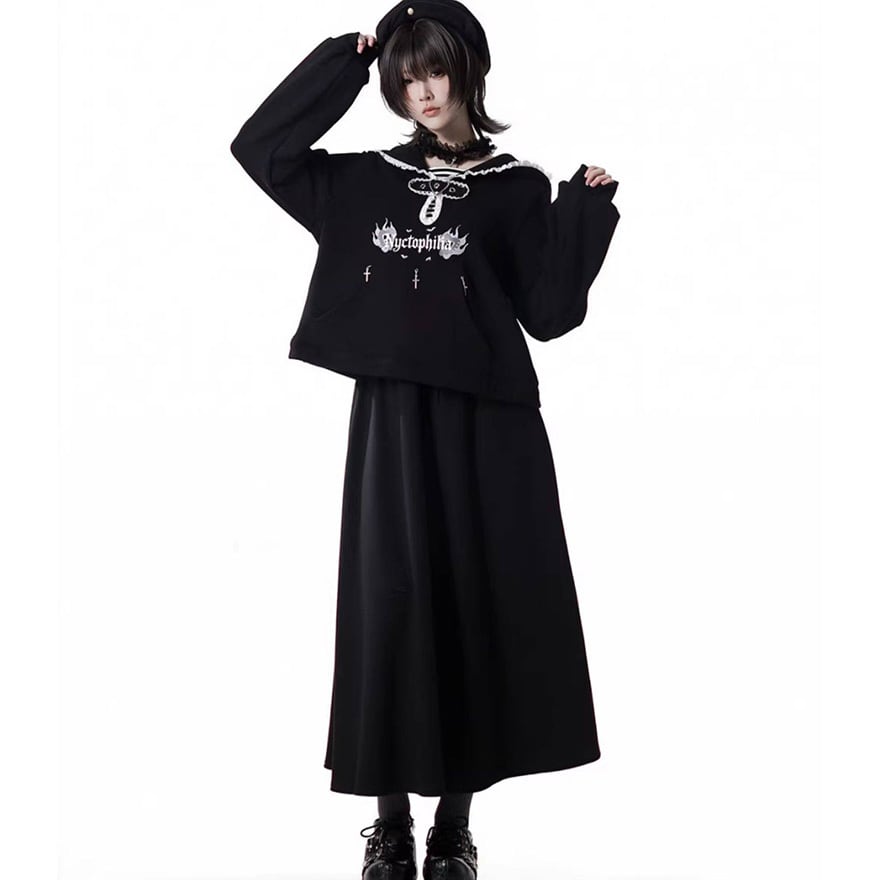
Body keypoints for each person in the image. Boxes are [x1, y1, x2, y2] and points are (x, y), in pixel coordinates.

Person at [229, 1, 621, 877]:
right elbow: (262, 150)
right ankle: (390, 827)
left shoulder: (516, 186)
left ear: (468, 69)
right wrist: (340, 63)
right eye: (406, 78)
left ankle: (453, 829)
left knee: (472, 604)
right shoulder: (364, 181)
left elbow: (549, 313)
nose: (424, 92)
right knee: (393, 606)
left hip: (490, 426)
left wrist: (584, 214)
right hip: (396, 422)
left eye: (435, 71)